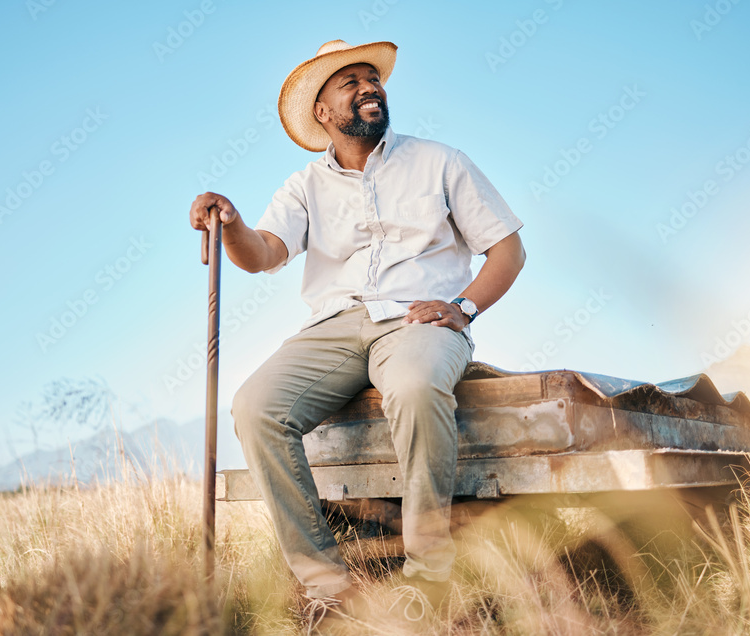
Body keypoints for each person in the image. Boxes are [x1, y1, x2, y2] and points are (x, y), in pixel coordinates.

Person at [189, 39, 525, 619]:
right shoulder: (303, 186)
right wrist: (233, 223)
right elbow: (264, 254)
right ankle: (328, 587)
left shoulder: (440, 161)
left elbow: (508, 250)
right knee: (253, 407)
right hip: (335, 324)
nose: (370, 86)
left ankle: (429, 580)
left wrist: (463, 308)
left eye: (374, 78)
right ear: (323, 113)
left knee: (417, 388)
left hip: (418, 318)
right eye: (351, 82)